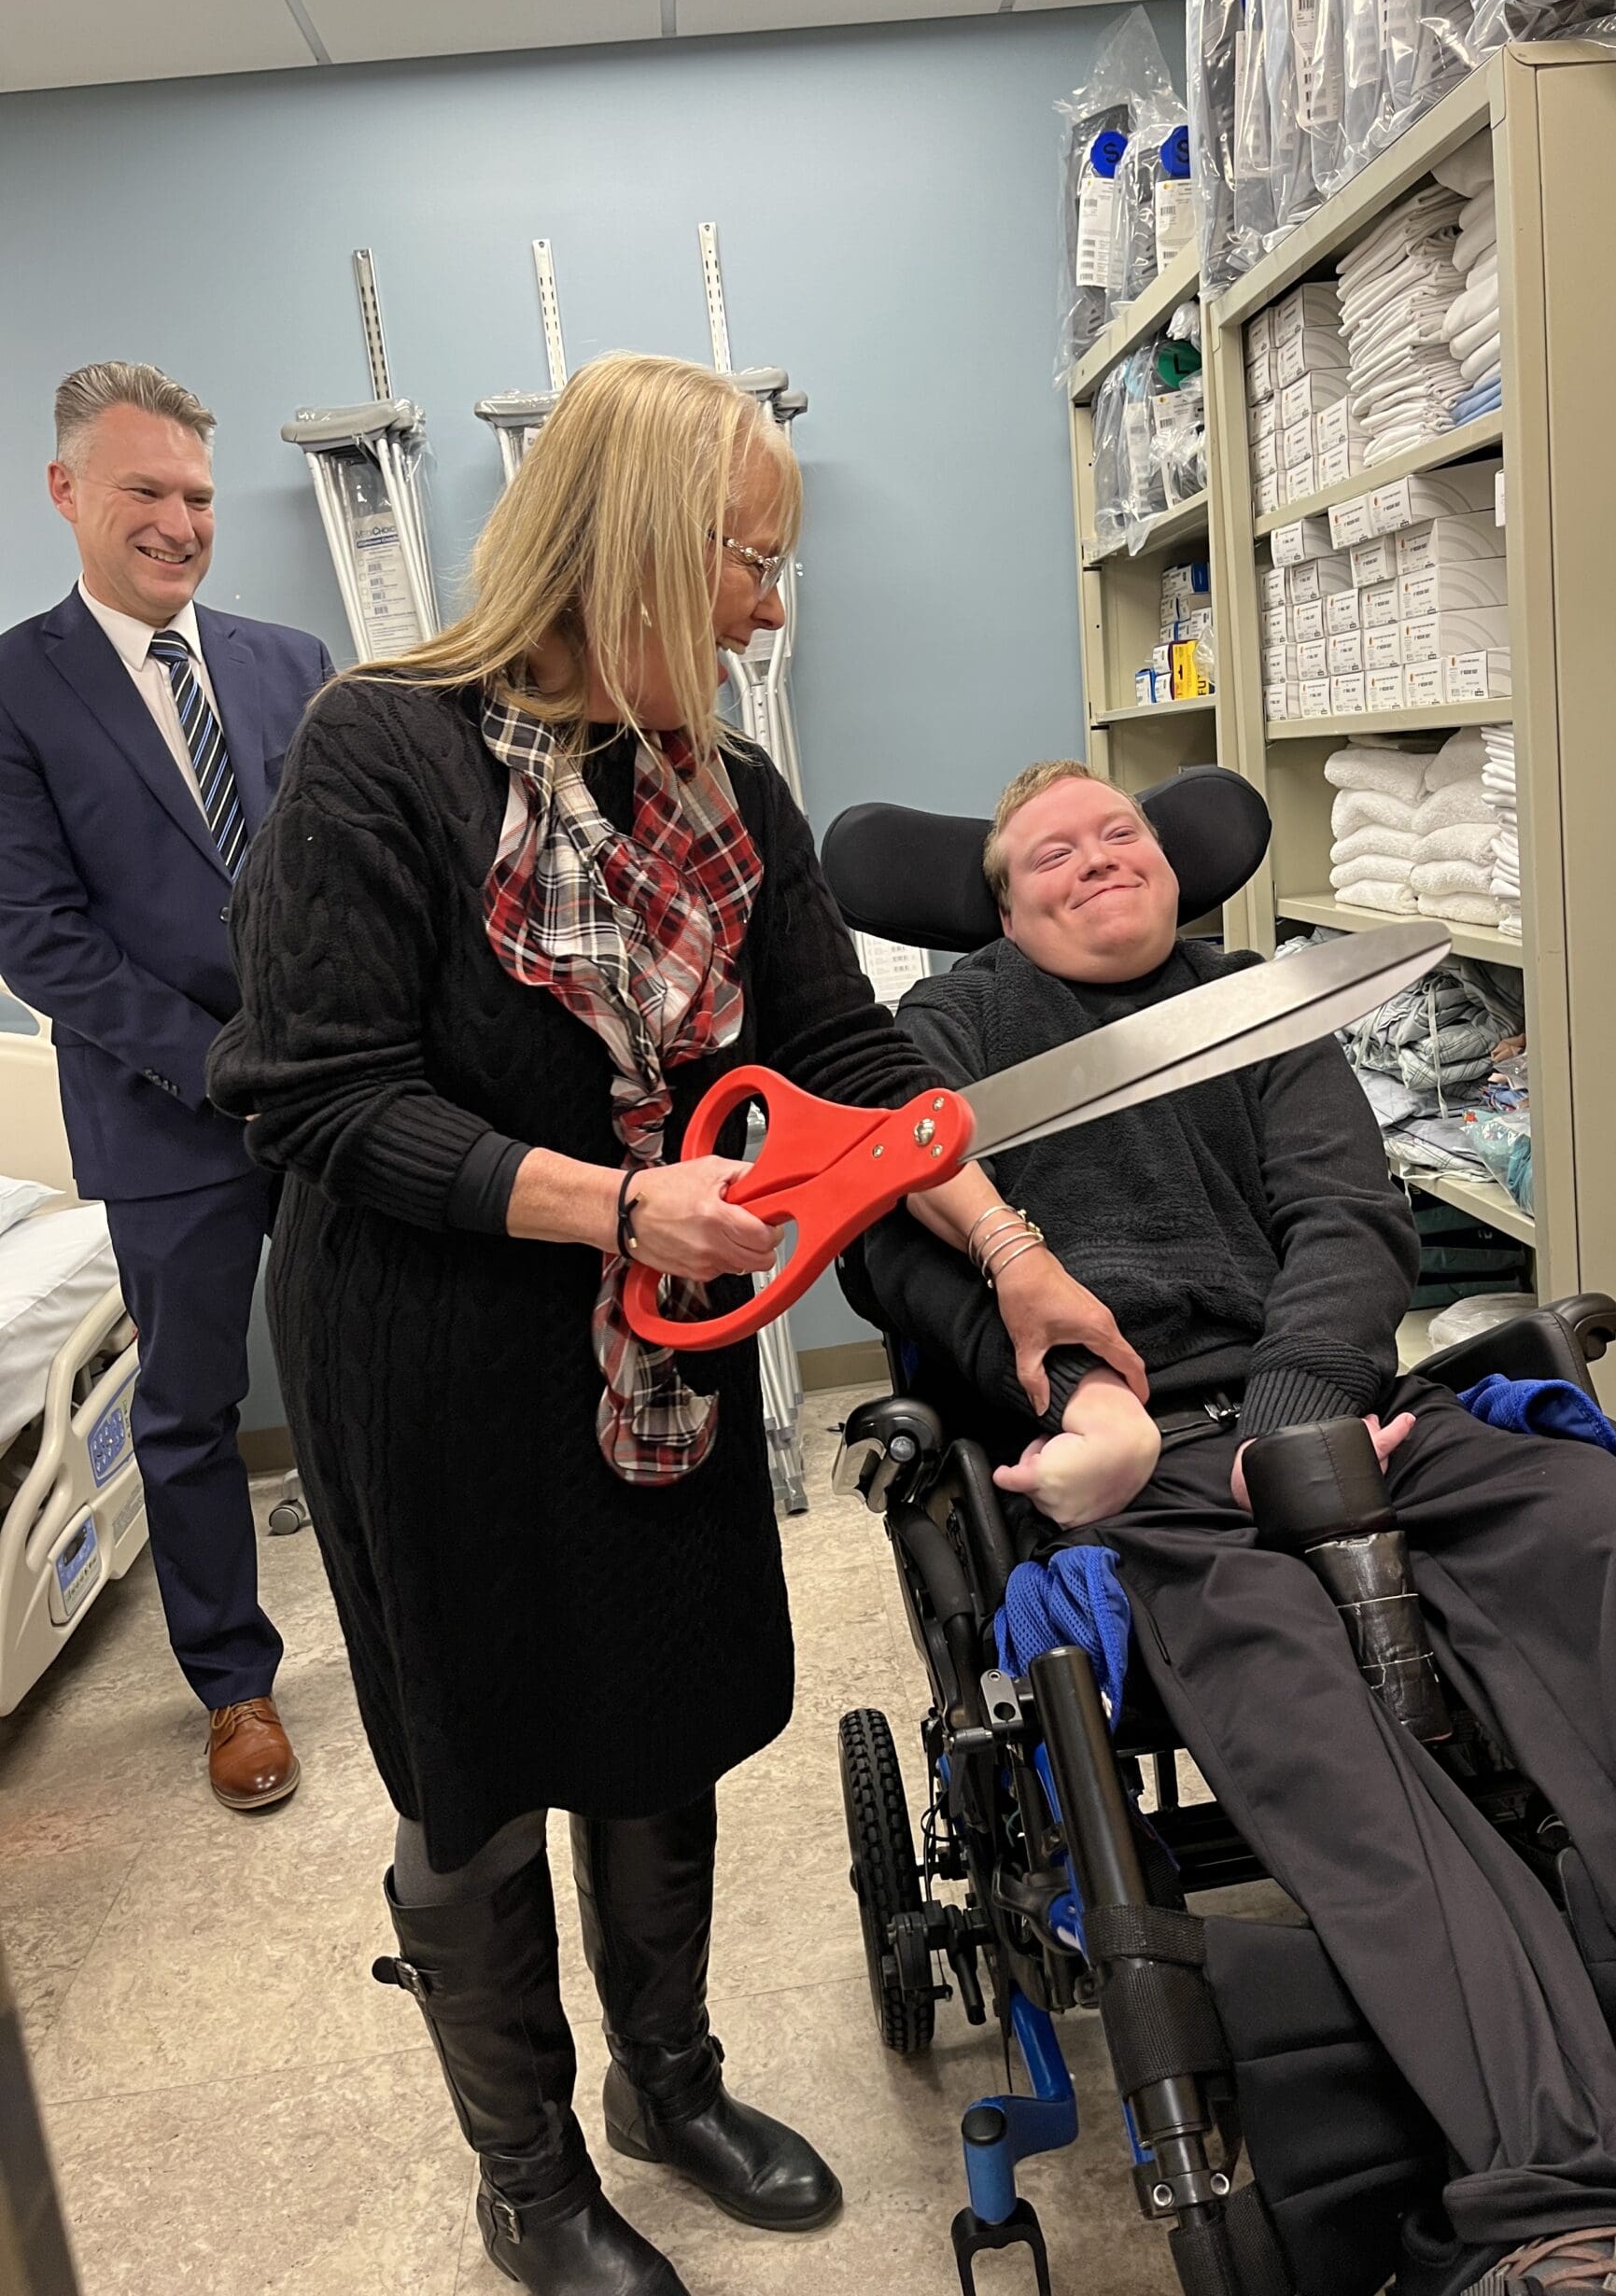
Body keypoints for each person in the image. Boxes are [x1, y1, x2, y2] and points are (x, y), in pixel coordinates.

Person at [205, 357, 1143, 2296]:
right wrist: (621, 1202)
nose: (769, 607)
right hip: (438, 1354)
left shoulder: (729, 791)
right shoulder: (379, 752)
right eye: (751, 560)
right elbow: (317, 1090)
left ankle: (669, 2083)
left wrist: (1007, 1243)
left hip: (665, 1343)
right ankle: (531, 2179)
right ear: (637, 537)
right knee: (472, 1770)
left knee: (660, 1711)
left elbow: (847, 1058)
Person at [861, 757, 1616, 2296]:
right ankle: (1562, 2190)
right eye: (1051, 855)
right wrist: (1092, 1394)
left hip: (1334, 1405)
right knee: (1293, 1696)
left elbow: (1349, 1217)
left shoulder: (1254, 1006)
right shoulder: (947, 1034)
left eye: (1123, 834)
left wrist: (1297, 1417)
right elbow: (897, 1246)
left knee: (1607, 1530)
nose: (1099, 859)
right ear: (1001, 909)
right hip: (1128, 1455)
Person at [0, 361, 332, 1811]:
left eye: (196, 496)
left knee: (362, 1370)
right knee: (188, 1407)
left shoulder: (285, 661)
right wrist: (218, 1069)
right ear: (69, 492)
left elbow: (345, 874)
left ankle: (404, 1628)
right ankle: (235, 1685)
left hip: (330, 1099)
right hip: (162, 1116)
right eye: (145, 490)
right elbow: (35, 933)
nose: (178, 521)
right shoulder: (18, 686)